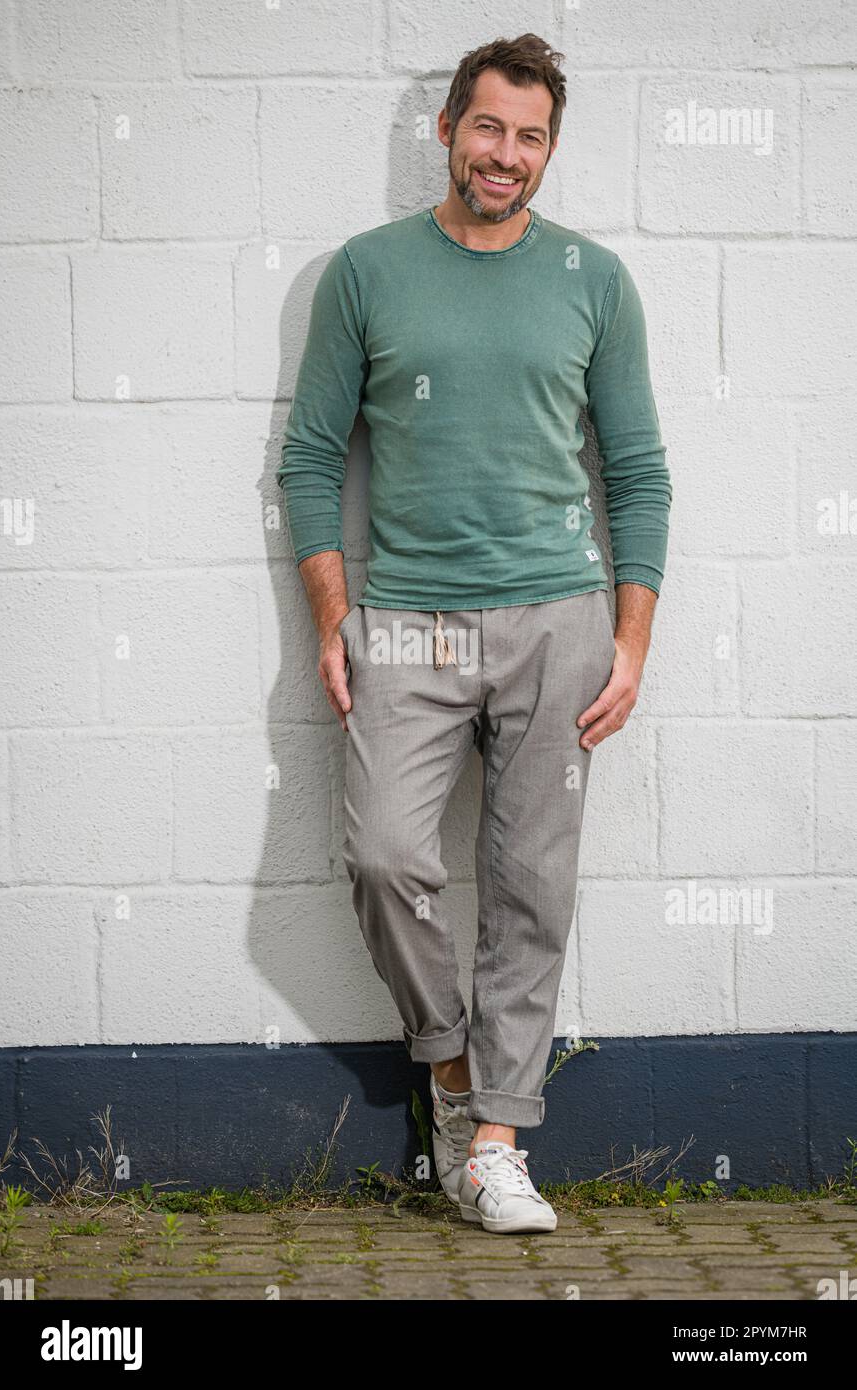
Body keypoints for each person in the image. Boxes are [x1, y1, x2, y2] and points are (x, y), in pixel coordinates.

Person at [278, 33, 672, 1235]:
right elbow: (308, 461)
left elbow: (639, 472)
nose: (506, 155)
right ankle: (450, 1069)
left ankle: (497, 1141)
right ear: (447, 127)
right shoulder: (365, 271)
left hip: (558, 616)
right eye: (489, 128)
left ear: (550, 149)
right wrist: (336, 621)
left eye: (531, 136)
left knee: (529, 885)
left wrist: (630, 638)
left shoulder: (592, 280)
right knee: (385, 857)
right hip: (407, 619)